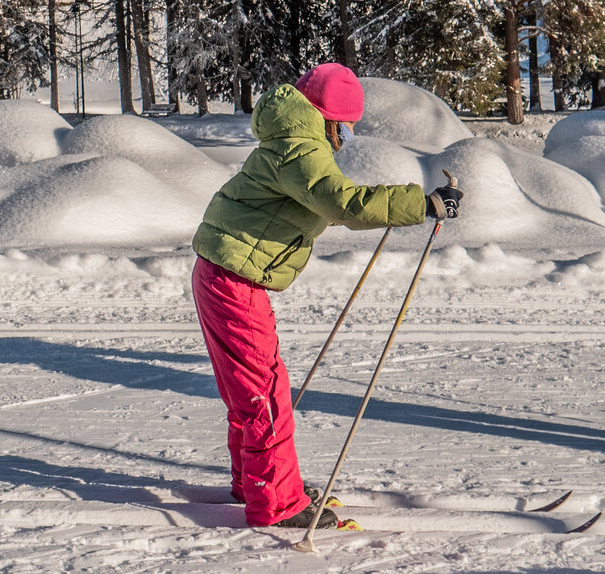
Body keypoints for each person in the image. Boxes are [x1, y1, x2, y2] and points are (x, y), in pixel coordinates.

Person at [190, 64, 461, 532]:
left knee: (253, 391)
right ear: (329, 118)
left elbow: (320, 203)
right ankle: (277, 503)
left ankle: (259, 483)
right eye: (347, 126)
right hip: (233, 280)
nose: (347, 136)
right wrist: (423, 204)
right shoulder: (300, 147)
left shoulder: (292, 140)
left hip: (225, 274)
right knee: (265, 394)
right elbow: (340, 202)